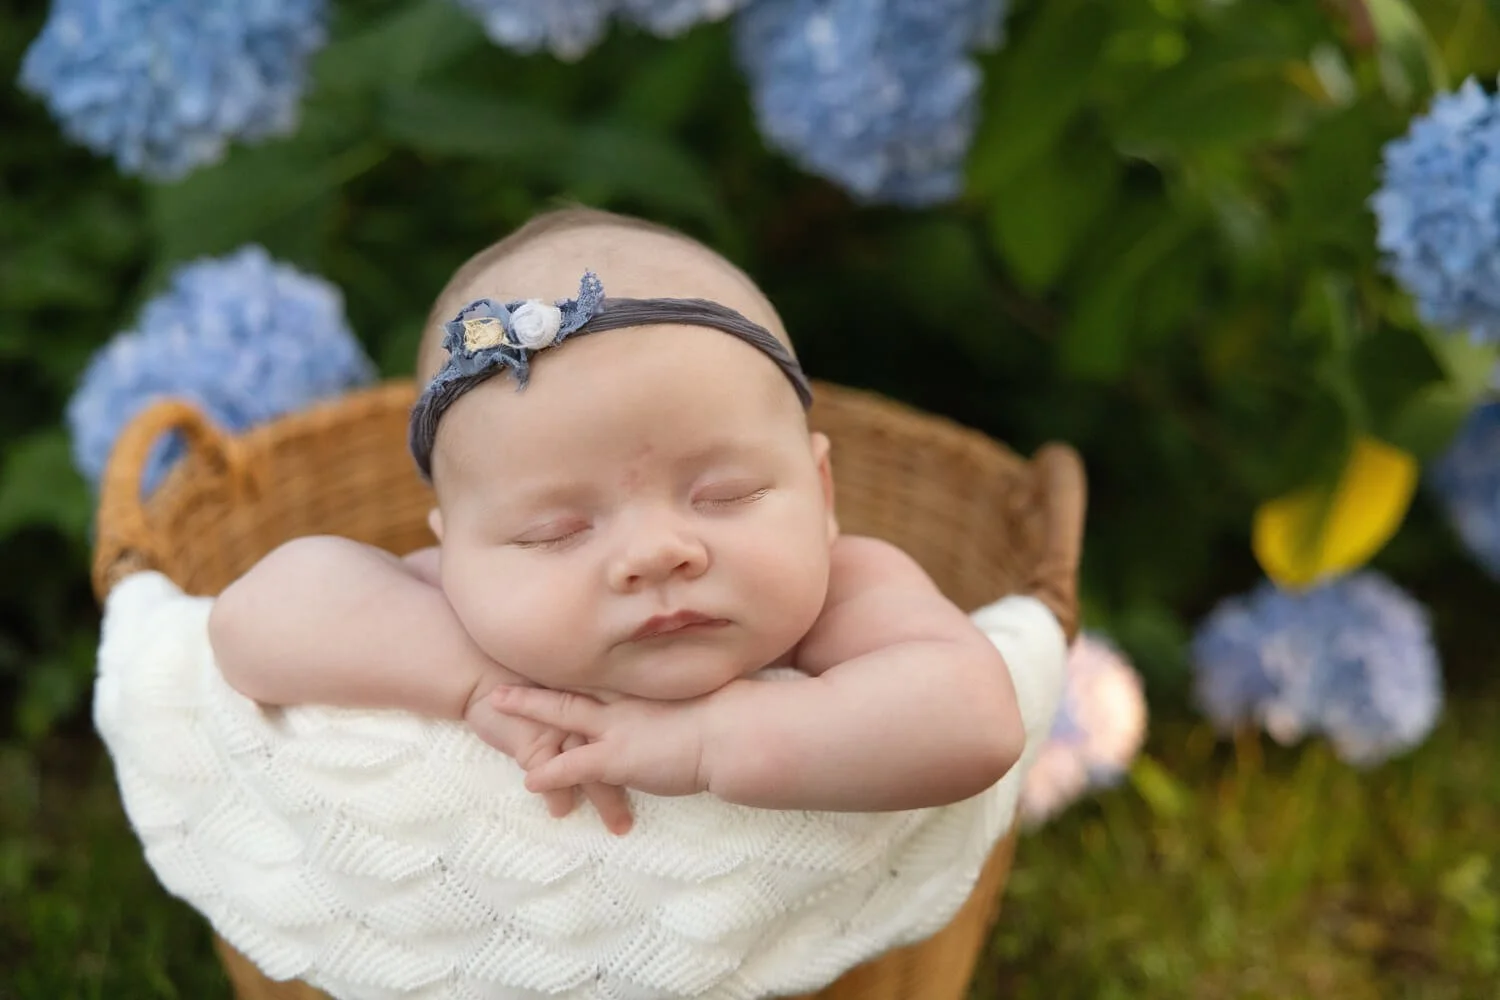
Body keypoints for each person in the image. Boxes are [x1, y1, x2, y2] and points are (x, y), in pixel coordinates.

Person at [207, 207, 1025, 837]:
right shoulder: (460, 616)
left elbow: (976, 720)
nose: (657, 553)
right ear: (450, 552)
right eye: (554, 533)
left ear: (821, 492)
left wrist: (716, 742)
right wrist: (478, 687)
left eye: (726, 494)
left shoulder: (847, 591)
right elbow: (250, 622)